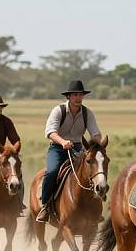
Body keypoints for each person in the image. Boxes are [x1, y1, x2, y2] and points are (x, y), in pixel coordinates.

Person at [36, 80, 102, 223]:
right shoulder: (58, 110)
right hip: (57, 148)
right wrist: (63, 141)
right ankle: (45, 206)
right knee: (52, 171)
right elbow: (50, 132)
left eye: (80, 95)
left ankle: (96, 207)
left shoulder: (87, 113)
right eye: (75, 95)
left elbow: (95, 133)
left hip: (79, 148)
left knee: (92, 171)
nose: (78, 98)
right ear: (68, 97)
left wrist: (96, 142)